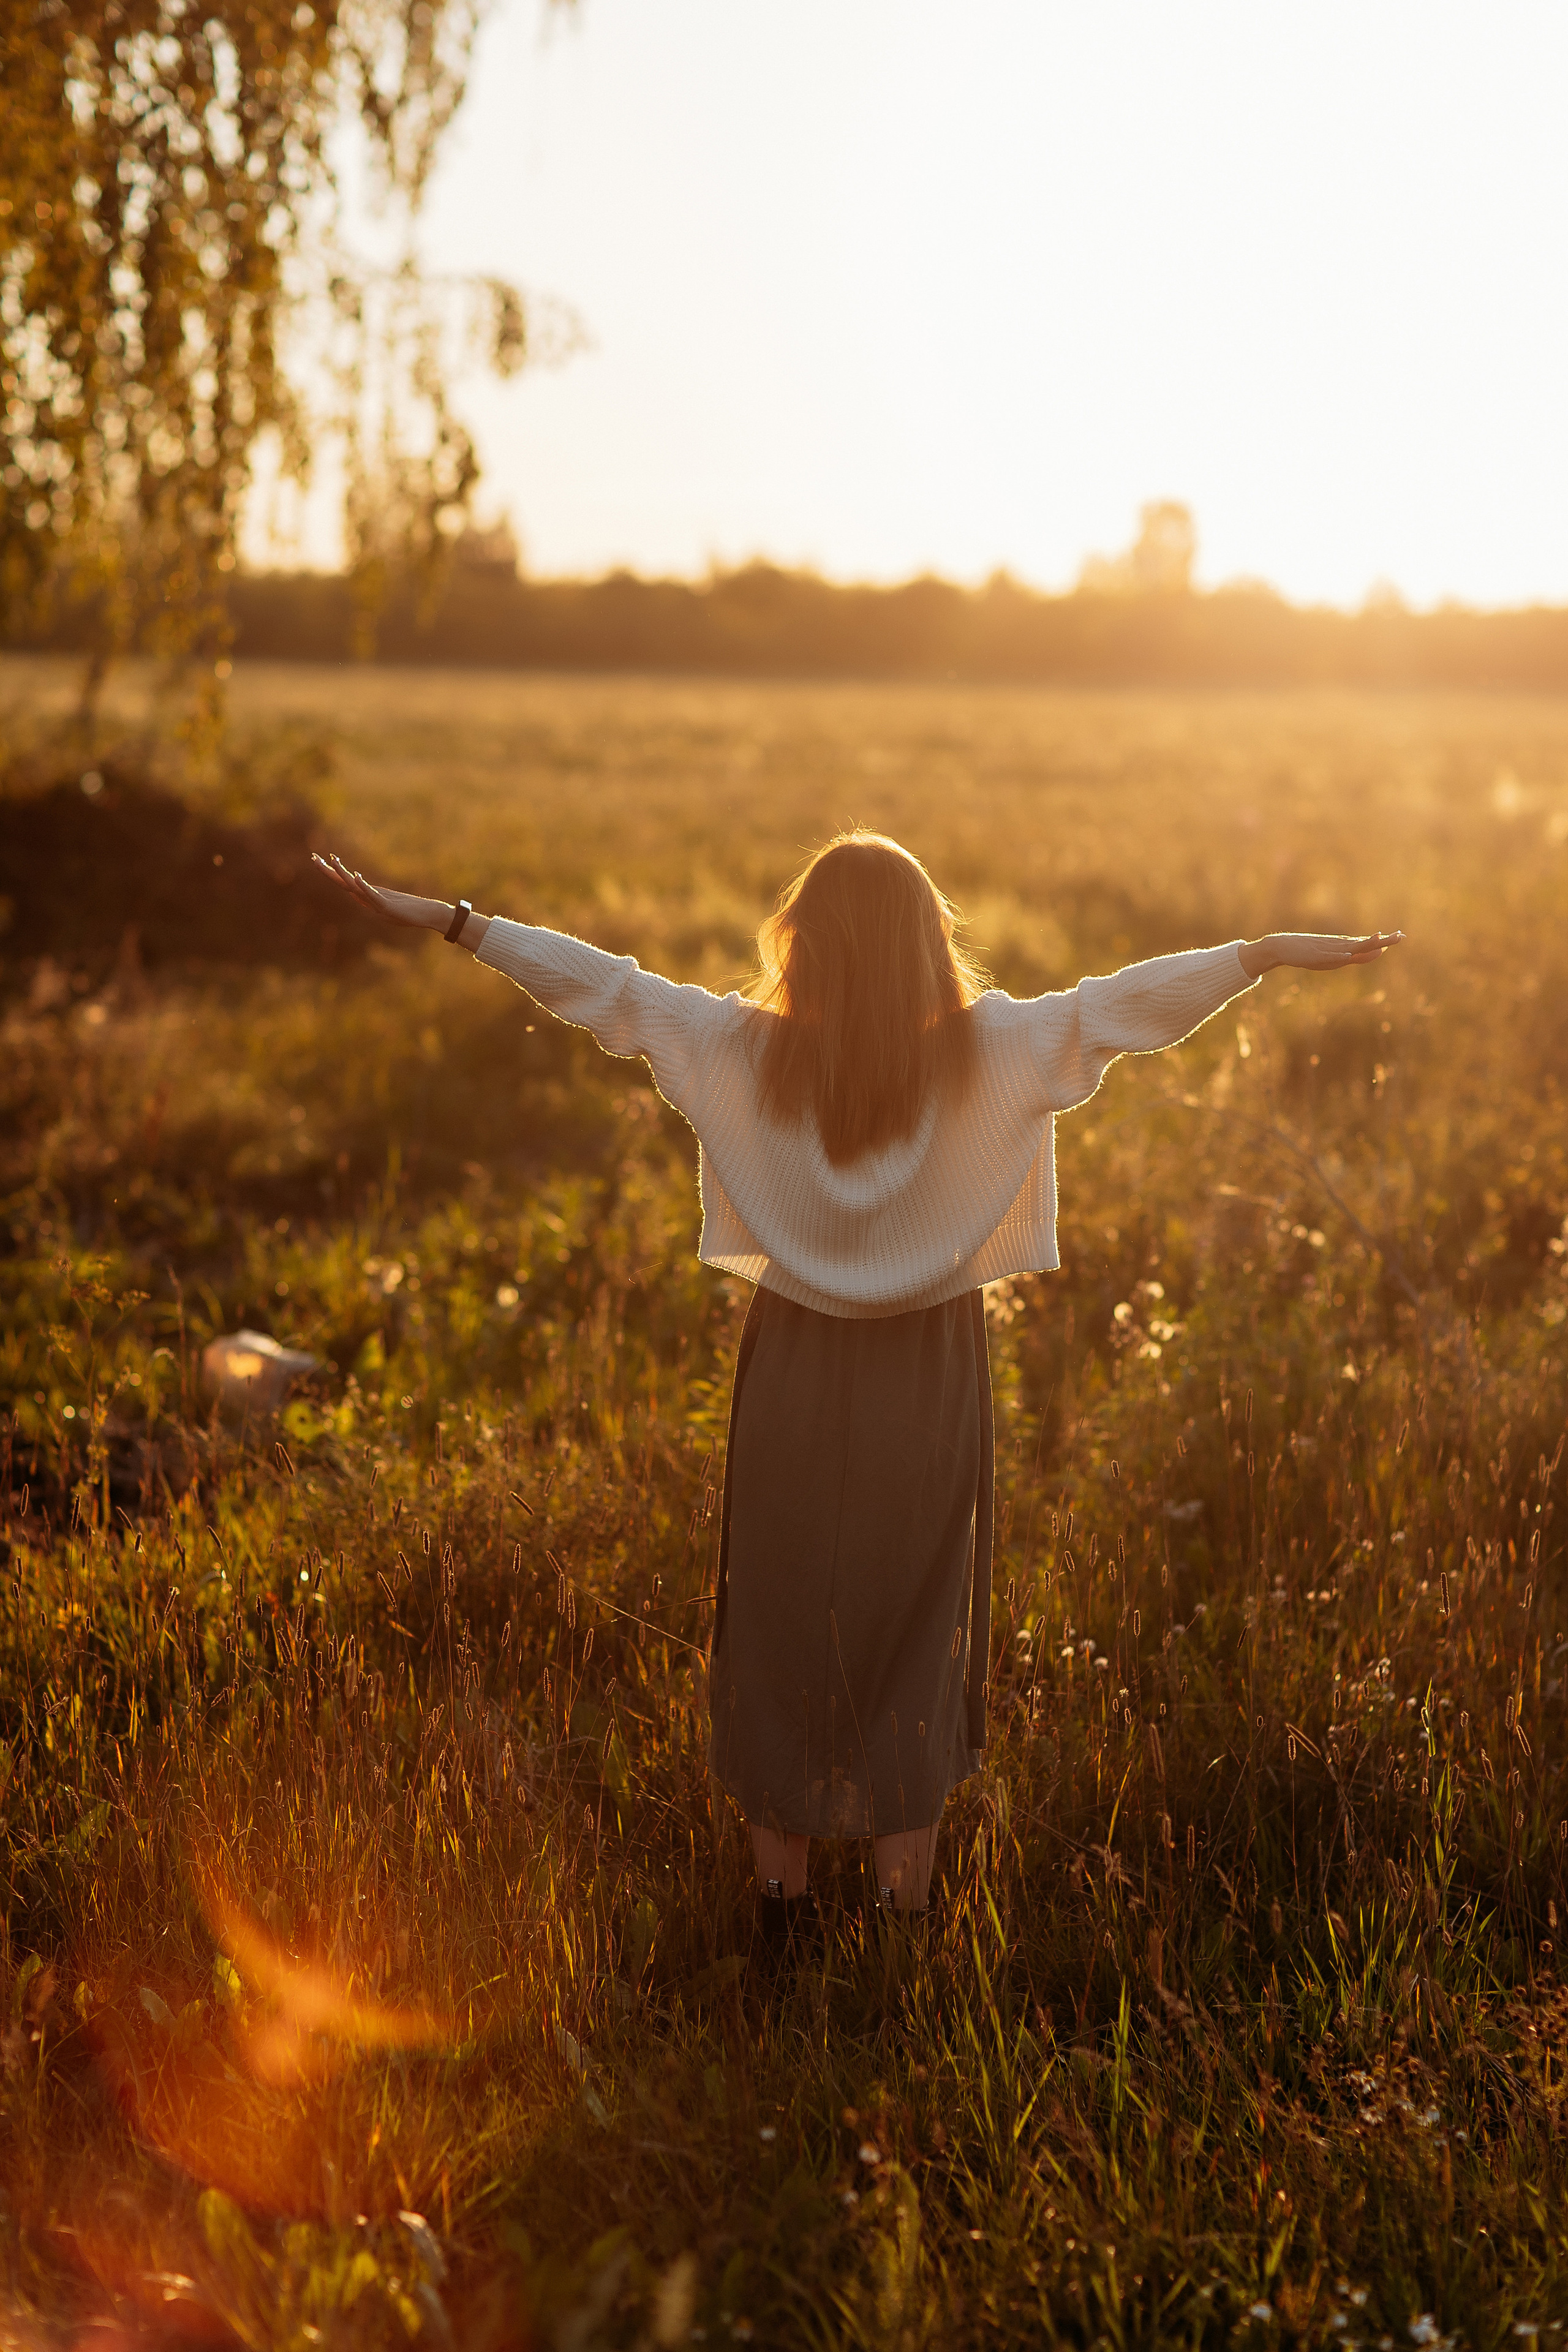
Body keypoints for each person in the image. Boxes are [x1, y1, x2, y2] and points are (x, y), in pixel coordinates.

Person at [315, 835, 1401, 1950]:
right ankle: (900, 1923)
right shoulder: (1000, 1049)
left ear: (808, 946)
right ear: (929, 946)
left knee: (781, 1611)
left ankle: (779, 1920)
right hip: (929, 1369)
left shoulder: (740, 1049)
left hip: (792, 1359)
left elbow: (606, 988)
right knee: (914, 1619)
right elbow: (1126, 1006)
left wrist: (458, 921)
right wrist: (1263, 952)